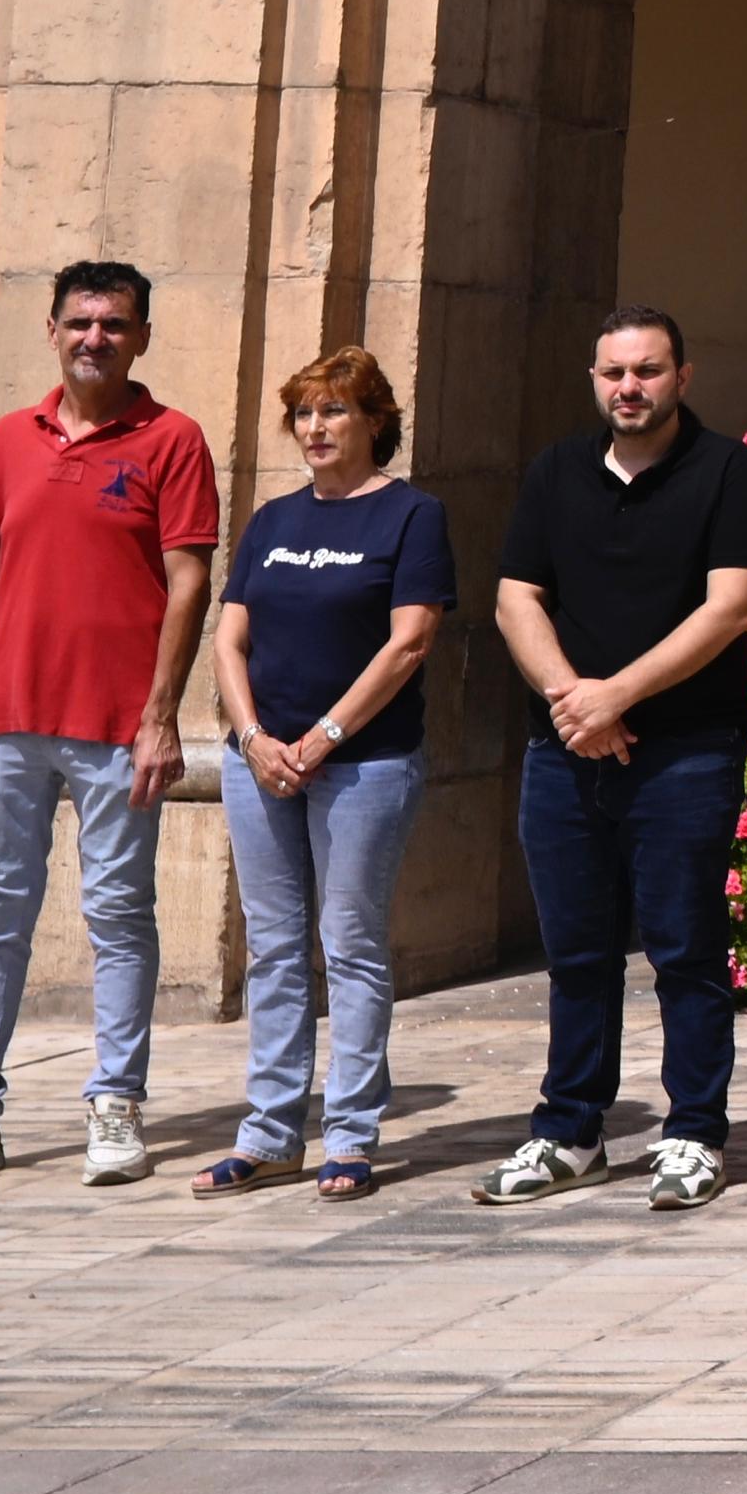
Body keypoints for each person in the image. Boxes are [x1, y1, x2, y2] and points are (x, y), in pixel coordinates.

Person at [0, 262, 219, 1196]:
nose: (94, 338)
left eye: (114, 324)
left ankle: (115, 1100)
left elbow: (188, 582)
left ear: (142, 336)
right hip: (6, 720)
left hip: (118, 726)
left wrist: (162, 717)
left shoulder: (173, 440)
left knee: (117, 913)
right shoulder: (8, 439)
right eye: (80, 322)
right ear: (52, 329)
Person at [482, 308, 747, 1211]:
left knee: (686, 948)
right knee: (576, 952)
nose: (630, 387)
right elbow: (514, 598)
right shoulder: (556, 471)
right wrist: (577, 700)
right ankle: (571, 1129)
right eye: (614, 372)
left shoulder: (728, 470)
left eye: (648, 370)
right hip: (565, 752)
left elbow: (730, 607)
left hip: (686, 751)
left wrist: (619, 697)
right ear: (595, 377)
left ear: (682, 375)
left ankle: (693, 1132)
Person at [199, 351, 453, 1200]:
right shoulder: (271, 520)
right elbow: (229, 638)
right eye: (304, 413)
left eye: (334, 411)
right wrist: (254, 737)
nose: (315, 427)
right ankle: (270, 1133)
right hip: (261, 762)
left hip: (364, 766)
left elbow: (409, 640)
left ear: (374, 421)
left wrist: (324, 736)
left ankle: (349, 1134)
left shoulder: (412, 516)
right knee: (274, 951)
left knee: (349, 949)